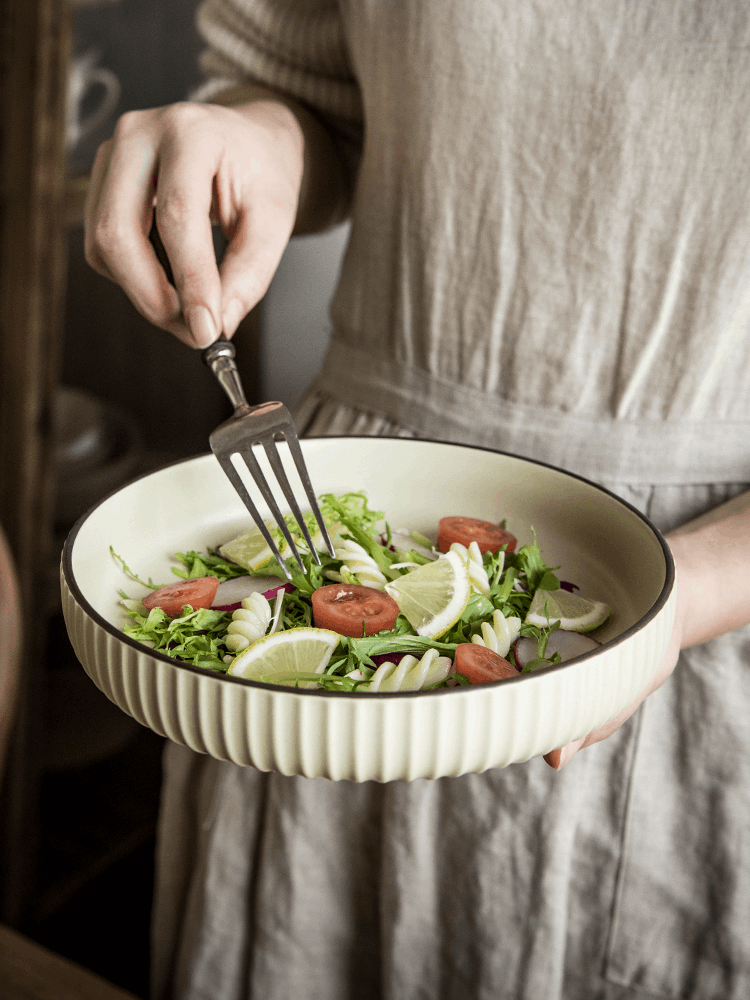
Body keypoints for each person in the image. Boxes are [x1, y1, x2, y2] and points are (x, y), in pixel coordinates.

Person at [84, 2, 750, 998]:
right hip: (343, 523)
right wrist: (255, 134)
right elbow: (307, 92)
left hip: (701, 583)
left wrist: (683, 592)